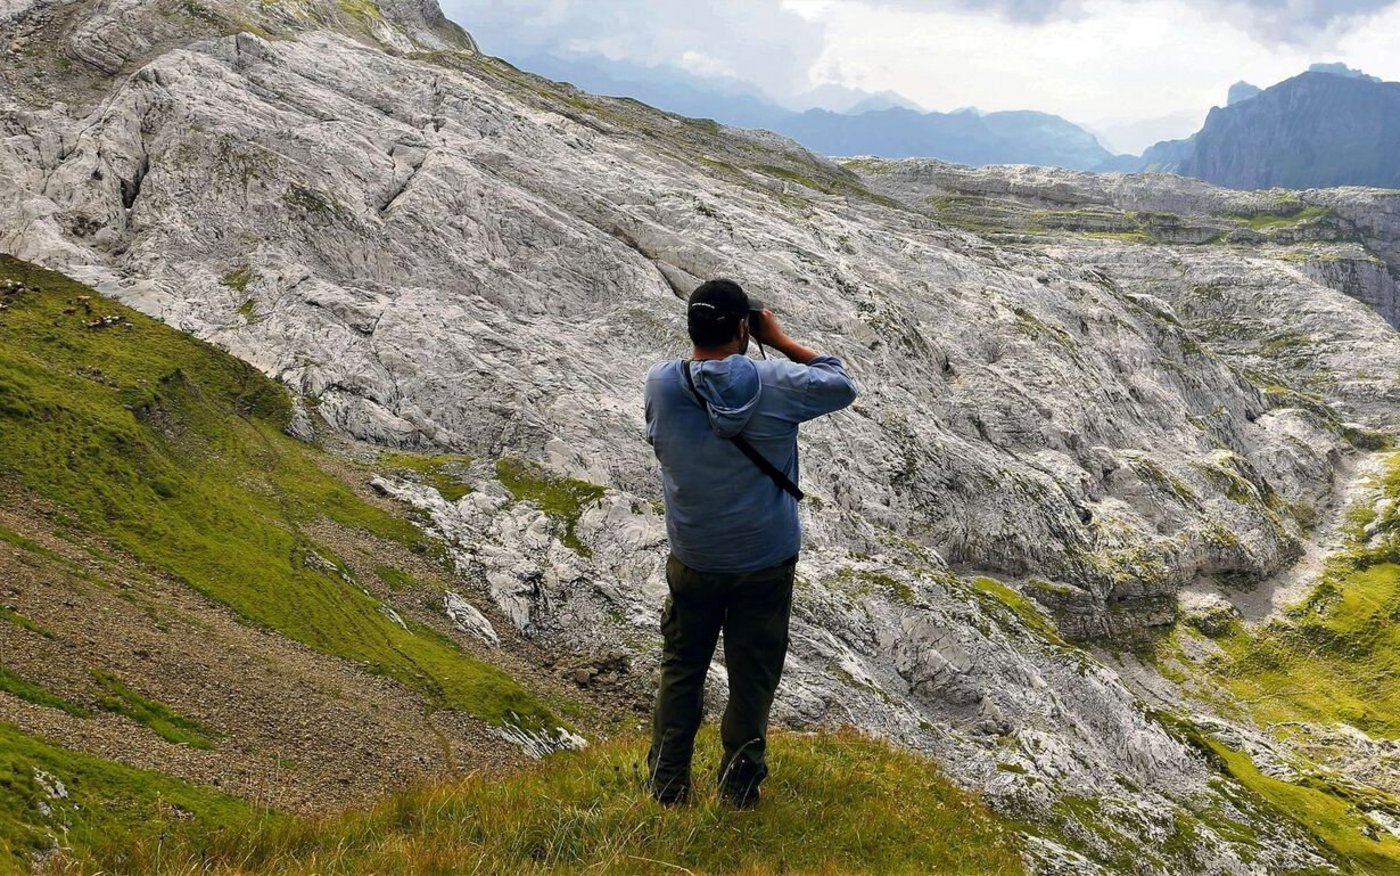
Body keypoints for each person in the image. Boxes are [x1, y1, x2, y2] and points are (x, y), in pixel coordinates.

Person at [643, 278, 858, 808]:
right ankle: (739, 788)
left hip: (693, 557)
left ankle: (668, 784)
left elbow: (658, 440)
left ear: (690, 327)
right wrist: (780, 339)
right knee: (752, 675)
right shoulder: (777, 382)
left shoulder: (663, 384)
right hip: (764, 560)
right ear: (743, 327)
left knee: (682, 668)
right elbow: (840, 382)